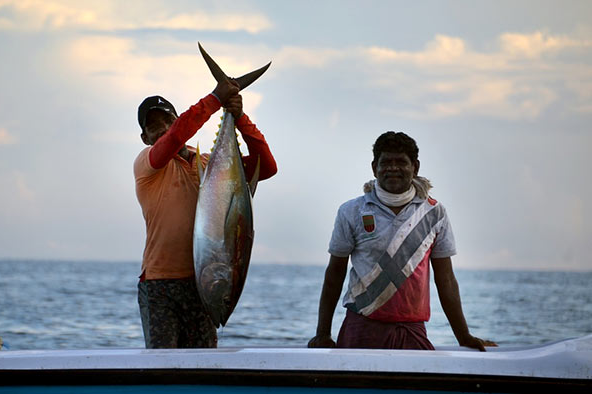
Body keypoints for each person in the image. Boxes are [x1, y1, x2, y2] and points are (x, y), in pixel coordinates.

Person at [308, 131, 496, 351]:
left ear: (415, 167)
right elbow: (334, 274)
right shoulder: (352, 211)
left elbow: (446, 280)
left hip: (412, 331)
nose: (393, 168)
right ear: (374, 167)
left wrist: (464, 336)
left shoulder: (434, 212)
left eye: (401, 162)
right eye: (386, 162)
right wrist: (322, 334)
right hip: (361, 328)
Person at [134, 78, 277, 349]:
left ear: (177, 120)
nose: (163, 130)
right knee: (163, 368)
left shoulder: (210, 164)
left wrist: (239, 117)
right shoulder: (147, 164)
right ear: (144, 137)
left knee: (201, 362)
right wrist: (215, 98)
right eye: (153, 127)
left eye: (168, 121)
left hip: (203, 284)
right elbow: (175, 136)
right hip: (159, 285)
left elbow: (266, 167)